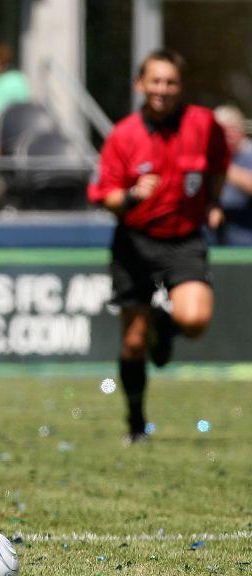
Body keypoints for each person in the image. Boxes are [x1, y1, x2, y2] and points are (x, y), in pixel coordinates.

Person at [87, 49, 228, 443]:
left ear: (181, 87)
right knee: (132, 341)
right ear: (140, 85)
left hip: (184, 239)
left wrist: (214, 202)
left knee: (195, 319)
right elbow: (103, 196)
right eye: (155, 81)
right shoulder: (124, 135)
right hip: (134, 241)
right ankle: (136, 424)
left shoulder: (204, 124)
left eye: (171, 82)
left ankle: (163, 329)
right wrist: (132, 195)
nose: (163, 90)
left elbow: (219, 163)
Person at [213, 105, 252, 245]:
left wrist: (225, 168)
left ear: (241, 131)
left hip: (246, 243)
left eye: (232, 130)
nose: (227, 135)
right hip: (214, 241)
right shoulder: (208, 157)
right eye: (221, 131)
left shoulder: (249, 154)